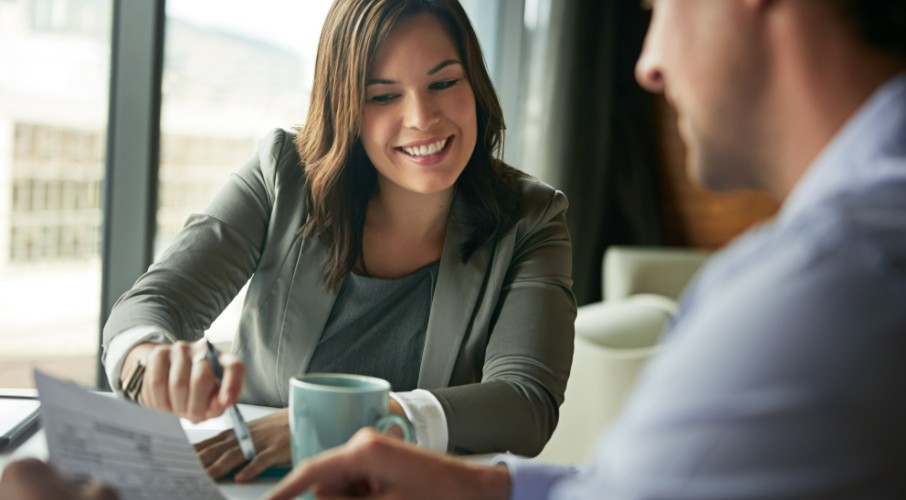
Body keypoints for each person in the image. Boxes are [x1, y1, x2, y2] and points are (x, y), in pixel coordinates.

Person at [260, 0, 906, 498]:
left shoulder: (828, 280)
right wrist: (486, 488)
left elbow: (528, 404)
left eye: (659, 7)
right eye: (382, 95)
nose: (648, 63)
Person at [101, 0, 575, 484]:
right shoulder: (283, 174)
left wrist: (340, 424)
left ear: (475, 83)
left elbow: (525, 404)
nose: (422, 117)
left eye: (444, 82)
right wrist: (153, 363)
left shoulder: (530, 219)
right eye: (383, 96)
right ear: (344, 105)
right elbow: (149, 306)